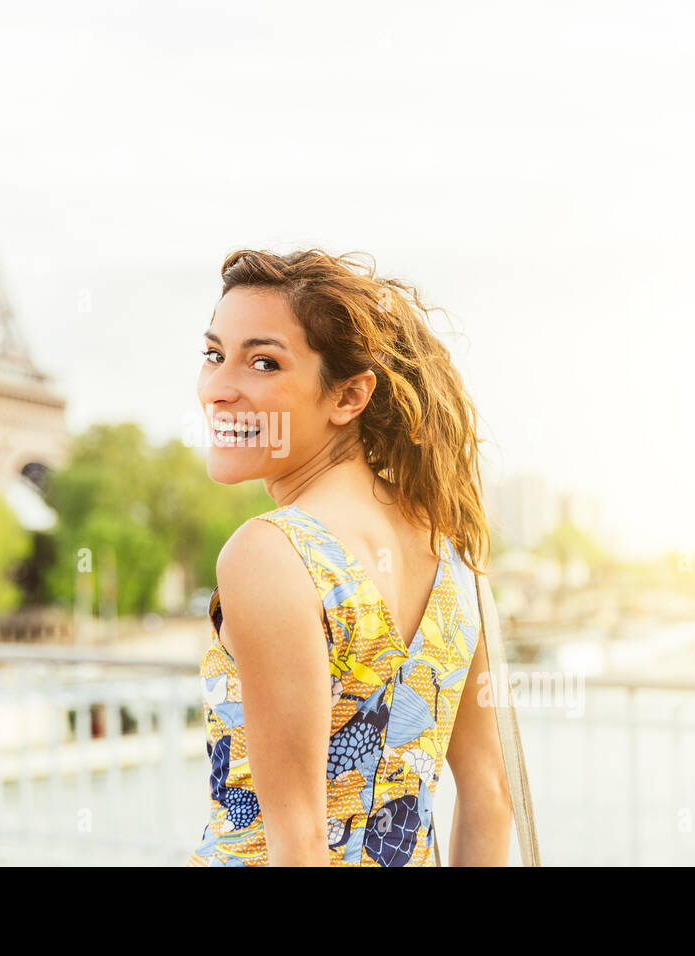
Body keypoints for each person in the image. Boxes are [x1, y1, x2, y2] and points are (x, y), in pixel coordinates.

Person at [187, 248, 512, 867]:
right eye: (212, 355)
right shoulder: (453, 555)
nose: (218, 390)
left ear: (348, 396)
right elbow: (491, 795)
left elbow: (301, 843)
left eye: (263, 362)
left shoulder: (271, 552)